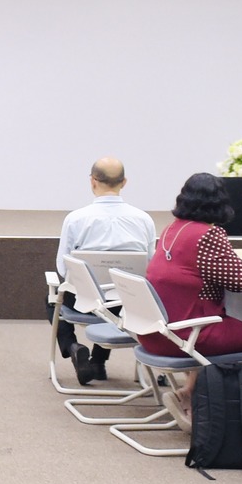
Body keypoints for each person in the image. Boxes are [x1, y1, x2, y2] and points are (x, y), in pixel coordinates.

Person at [138, 173, 242, 407]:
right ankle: (233, 408)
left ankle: (188, 394)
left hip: (156, 331)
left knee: (197, 315)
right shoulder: (207, 234)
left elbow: (222, 268)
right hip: (186, 334)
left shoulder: (172, 230)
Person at [53, 157, 157, 384]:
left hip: (85, 303)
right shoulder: (144, 220)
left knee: (53, 298)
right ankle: (97, 363)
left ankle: (73, 347)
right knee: (114, 297)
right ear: (124, 182)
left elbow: (62, 267)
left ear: (92, 181)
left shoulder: (75, 219)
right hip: (128, 305)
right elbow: (151, 266)